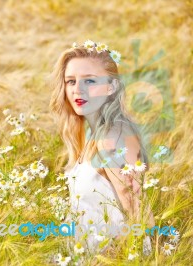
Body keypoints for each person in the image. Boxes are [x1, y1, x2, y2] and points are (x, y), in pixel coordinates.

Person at [49, 40, 155, 255]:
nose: (78, 89)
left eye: (89, 81)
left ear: (112, 86)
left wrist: (104, 259)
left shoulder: (113, 137)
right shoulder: (92, 134)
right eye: (71, 81)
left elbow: (141, 217)